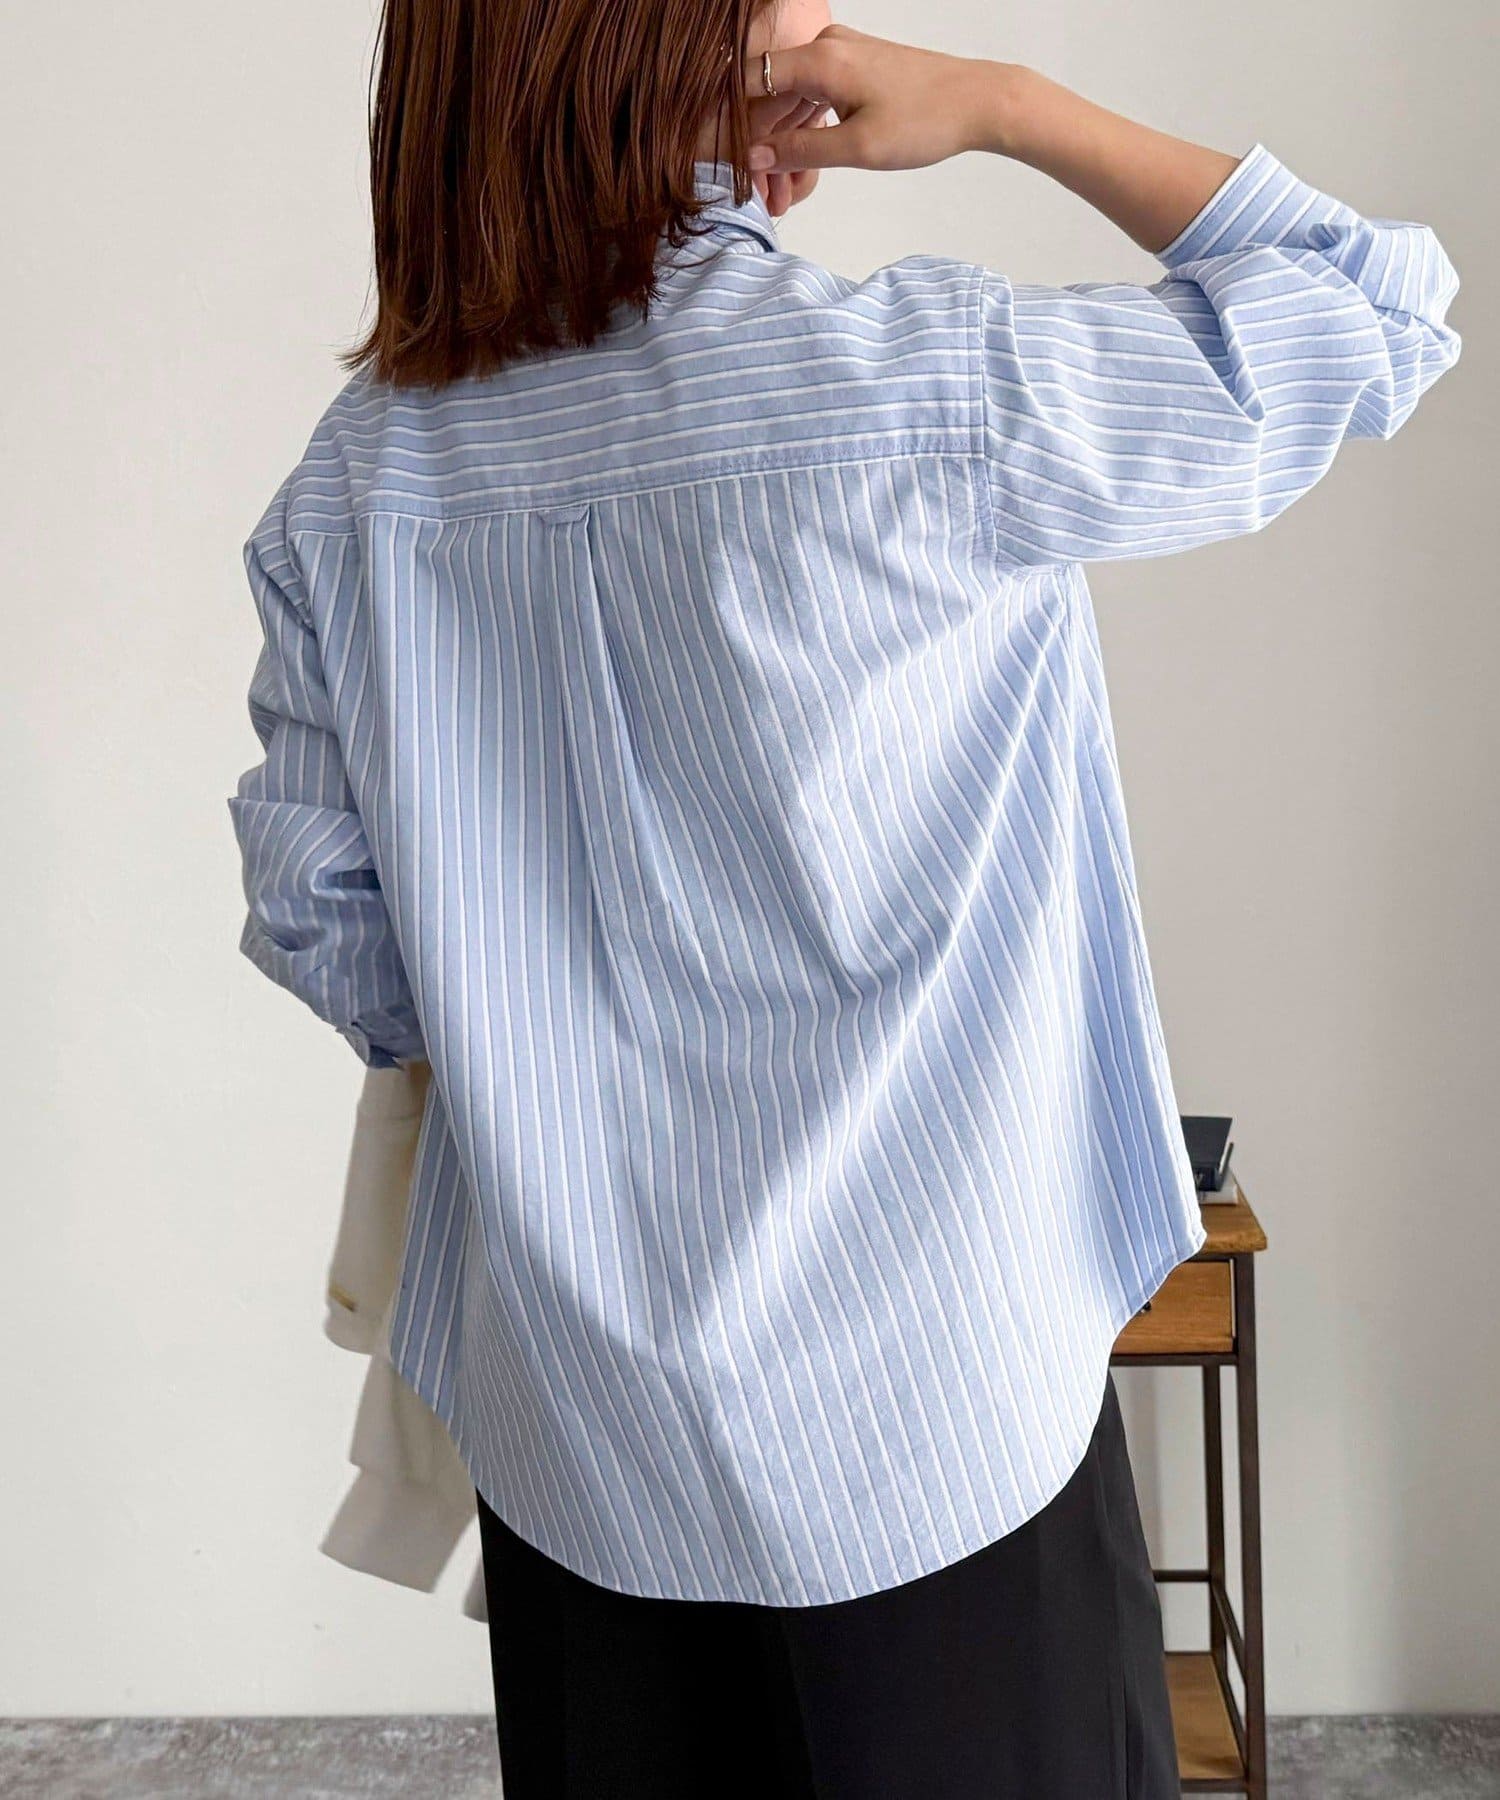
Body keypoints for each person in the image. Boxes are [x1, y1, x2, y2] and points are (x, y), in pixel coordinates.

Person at [226, 0, 1460, 1793]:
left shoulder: (349, 483)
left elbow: (324, 919)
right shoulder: (927, 386)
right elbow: (1380, 304)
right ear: (679, 45)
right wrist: (1010, 105)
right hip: (939, 1423)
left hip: (584, 1438)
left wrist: (553, 998)